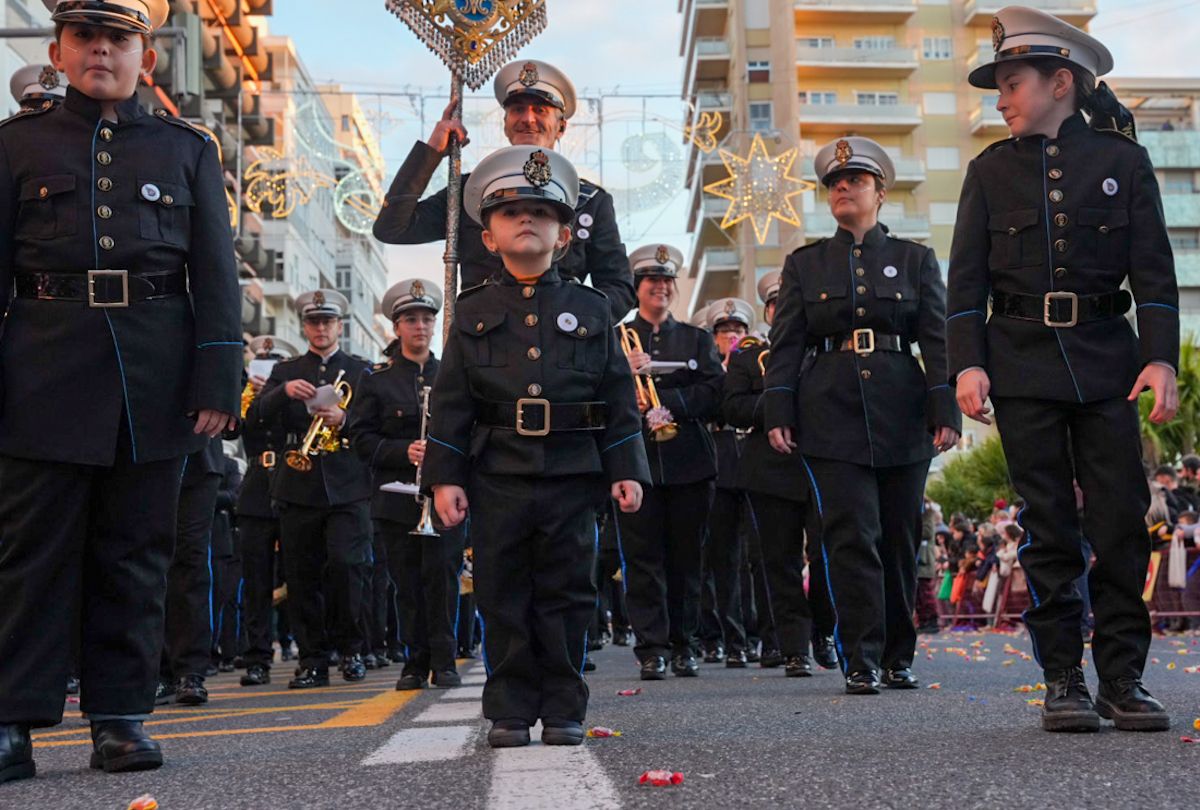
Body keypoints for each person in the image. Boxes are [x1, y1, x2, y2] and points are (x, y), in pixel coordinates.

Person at [0, 0, 242, 781]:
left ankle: (120, 717)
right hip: (40, 372)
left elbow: (216, 273)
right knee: (30, 556)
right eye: (85, 36)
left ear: (147, 56)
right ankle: (13, 721)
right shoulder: (15, 144)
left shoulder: (187, 149)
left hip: (155, 377)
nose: (101, 50)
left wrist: (217, 376)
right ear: (58, 51)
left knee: (137, 554)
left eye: (118, 38)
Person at [948, 5, 1178, 732]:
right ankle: (1062, 679)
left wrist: (1160, 357)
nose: (1001, 100)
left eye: (1012, 83)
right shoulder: (989, 171)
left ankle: (1122, 678)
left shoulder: (1122, 163)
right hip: (1020, 365)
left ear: (1061, 82)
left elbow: (1154, 271)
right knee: (1046, 525)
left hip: (1108, 361)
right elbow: (965, 284)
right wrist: (967, 365)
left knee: (1119, 521)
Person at [422, 145, 648, 748]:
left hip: (573, 472)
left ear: (565, 236)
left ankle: (564, 706)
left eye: (543, 213)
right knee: (502, 591)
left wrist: (626, 468)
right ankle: (510, 709)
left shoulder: (592, 308)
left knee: (568, 592)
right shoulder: (471, 312)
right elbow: (452, 403)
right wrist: (445, 478)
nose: (527, 219)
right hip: (497, 472)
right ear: (488, 237)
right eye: (510, 212)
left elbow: (617, 397)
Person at [765, 136, 961, 695]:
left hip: (902, 409)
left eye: (855, 180)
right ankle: (862, 657)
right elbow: (787, 344)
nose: (842, 188)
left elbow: (937, 338)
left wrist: (944, 405)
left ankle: (899, 655)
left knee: (899, 537)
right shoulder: (805, 264)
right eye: (834, 183)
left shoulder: (915, 259)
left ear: (880, 193)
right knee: (850, 536)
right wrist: (778, 407)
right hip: (830, 412)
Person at [373, 59, 634, 322]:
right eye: (518, 110)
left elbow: (618, 288)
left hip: (562, 341)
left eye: (540, 110)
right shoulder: (467, 192)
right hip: (482, 341)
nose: (528, 119)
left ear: (561, 127)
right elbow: (393, 228)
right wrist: (431, 152)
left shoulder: (589, 201)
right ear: (505, 122)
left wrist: (575, 325)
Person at [248, 290, 373, 689]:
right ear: (304, 326)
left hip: (347, 483)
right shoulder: (286, 371)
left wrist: (344, 418)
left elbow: (376, 422)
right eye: (314, 322)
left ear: (339, 326)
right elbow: (254, 417)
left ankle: (351, 650)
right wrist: (281, 392)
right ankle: (313, 660)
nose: (321, 328)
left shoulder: (360, 370)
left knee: (347, 566)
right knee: (302, 577)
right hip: (298, 484)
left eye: (328, 322)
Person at [348, 278, 467, 690]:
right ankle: (414, 662)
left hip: (443, 497)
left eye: (426, 319)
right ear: (396, 327)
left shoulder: (452, 374)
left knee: (444, 578)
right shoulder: (376, 379)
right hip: (396, 498)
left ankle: (445, 660)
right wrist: (404, 451)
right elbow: (360, 439)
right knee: (407, 583)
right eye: (411, 320)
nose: (420, 326)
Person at [615, 244, 724, 680]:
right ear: (637, 287)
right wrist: (623, 372)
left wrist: (668, 404)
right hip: (636, 461)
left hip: (689, 462)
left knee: (687, 560)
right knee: (642, 560)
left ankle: (684, 644)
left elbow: (715, 392)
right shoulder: (617, 339)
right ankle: (652, 649)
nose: (660, 287)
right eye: (651, 280)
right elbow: (594, 391)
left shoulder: (697, 339)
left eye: (666, 280)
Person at [723, 271, 838, 677]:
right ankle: (793, 646)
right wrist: (778, 407)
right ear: (770, 313)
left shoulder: (825, 350)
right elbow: (732, 408)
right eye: (777, 305)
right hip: (769, 468)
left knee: (826, 555)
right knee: (778, 561)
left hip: (821, 464)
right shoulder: (748, 356)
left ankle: (824, 630)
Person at [238, 334, 299, 687]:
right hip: (256, 491)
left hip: (292, 485)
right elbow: (236, 427)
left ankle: (311, 650)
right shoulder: (246, 396)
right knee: (256, 581)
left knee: (301, 576)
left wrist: (277, 393)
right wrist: (254, 394)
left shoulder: (293, 393)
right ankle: (257, 657)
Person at [699, 296, 756, 668]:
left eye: (737, 330)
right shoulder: (710, 370)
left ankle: (754, 634)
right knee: (721, 558)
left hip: (750, 462)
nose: (731, 337)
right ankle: (723, 636)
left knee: (753, 559)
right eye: (724, 331)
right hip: (719, 463)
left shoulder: (755, 366)